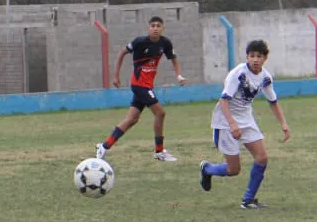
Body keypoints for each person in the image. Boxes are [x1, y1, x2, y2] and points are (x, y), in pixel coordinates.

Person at [199, 40, 290, 209]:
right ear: (247, 57)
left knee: (262, 158)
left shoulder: (265, 77)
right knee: (234, 170)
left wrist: (283, 123)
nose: (255, 59)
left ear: (265, 58)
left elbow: (273, 101)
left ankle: (248, 200)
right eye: (252, 56)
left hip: (246, 119)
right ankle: (207, 169)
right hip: (225, 121)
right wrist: (232, 124)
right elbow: (224, 100)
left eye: (259, 56)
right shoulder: (238, 74)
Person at [95, 16, 186, 162]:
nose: (155, 28)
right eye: (153, 25)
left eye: (158, 26)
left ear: (162, 28)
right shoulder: (139, 42)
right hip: (139, 85)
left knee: (131, 120)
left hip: (147, 86)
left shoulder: (165, 43)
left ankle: (104, 146)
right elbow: (121, 53)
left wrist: (179, 75)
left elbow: (173, 58)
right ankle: (159, 151)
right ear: (148, 28)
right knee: (160, 113)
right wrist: (116, 76)